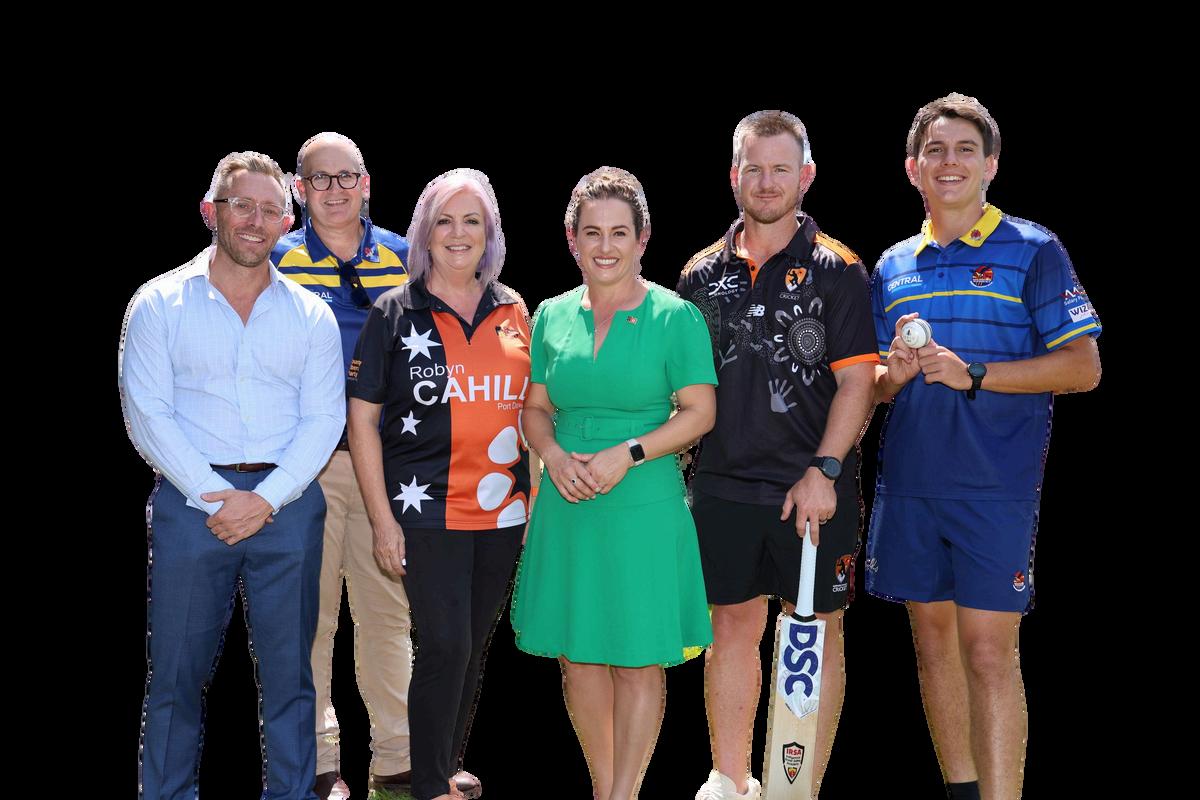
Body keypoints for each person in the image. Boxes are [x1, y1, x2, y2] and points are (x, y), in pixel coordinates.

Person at [867, 93, 1102, 800]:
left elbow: (1083, 367)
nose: (950, 162)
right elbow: (873, 386)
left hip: (995, 488)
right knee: (933, 648)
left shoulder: (1034, 250)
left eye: (965, 150)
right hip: (911, 484)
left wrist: (974, 372)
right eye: (934, 150)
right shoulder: (892, 265)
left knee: (989, 654)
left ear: (991, 164)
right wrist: (892, 375)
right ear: (912, 167)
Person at [120, 151, 346, 800]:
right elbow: (146, 412)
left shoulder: (310, 315)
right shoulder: (158, 303)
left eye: (271, 210)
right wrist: (216, 496)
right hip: (192, 506)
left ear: (287, 223)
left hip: (289, 505)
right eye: (241, 205)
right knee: (176, 676)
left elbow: (324, 418)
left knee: (291, 678)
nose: (256, 220)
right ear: (210, 211)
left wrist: (265, 499)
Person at [676, 111, 878, 800]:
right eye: (753, 168)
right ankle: (730, 778)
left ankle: (798, 785)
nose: (766, 182)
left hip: (811, 490)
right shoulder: (698, 274)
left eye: (780, 169)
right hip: (722, 485)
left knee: (813, 632)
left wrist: (824, 471)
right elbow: (684, 390)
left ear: (806, 176)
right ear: (734, 175)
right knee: (730, 627)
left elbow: (857, 382)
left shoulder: (839, 269)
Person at [511, 167, 718, 800]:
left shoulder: (674, 317)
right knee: (578, 657)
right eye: (592, 232)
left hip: (643, 505)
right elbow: (534, 408)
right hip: (568, 504)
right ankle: (604, 789)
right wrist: (551, 454)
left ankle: (625, 792)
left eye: (619, 233)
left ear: (642, 238)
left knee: (636, 657)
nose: (605, 246)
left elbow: (701, 412)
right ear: (571, 239)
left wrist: (628, 453)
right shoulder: (550, 315)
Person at [347, 168, 530, 800]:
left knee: (472, 647)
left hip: (503, 513)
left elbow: (533, 410)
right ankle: (426, 784)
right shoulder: (394, 312)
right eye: (444, 221)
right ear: (424, 232)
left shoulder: (514, 309)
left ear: (489, 233)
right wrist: (382, 520)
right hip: (424, 512)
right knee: (444, 645)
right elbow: (362, 422)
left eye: (471, 220)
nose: (458, 233)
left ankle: (447, 762)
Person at [271, 132, 418, 800]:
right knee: (311, 619)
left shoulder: (404, 256)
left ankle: (398, 757)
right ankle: (318, 762)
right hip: (308, 466)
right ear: (299, 190)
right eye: (319, 179)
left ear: (367, 183)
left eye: (346, 176)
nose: (334, 191)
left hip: (388, 468)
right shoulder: (278, 260)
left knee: (388, 615)